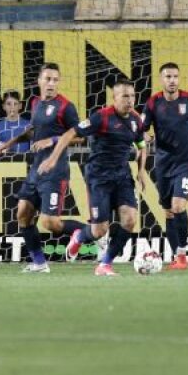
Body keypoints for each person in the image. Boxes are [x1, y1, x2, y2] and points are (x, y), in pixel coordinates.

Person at [43, 82, 148, 276]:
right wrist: (52, 158)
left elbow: (142, 146)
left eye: (132, 96)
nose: (130, 100)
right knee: (99, 230)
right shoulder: (101, 117)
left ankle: (105, 264)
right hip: (99, 178)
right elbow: (69, 134)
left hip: (123, 176)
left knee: (130, 220)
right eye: (125, 96)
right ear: (114, 99)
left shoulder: (136, 120)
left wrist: (141, 170)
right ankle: (79, 236)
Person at [0, 64, 86, 273]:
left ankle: (89, 231)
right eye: (48, 79)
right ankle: (39, 263)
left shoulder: (65, 107)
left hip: (55, 170)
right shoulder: (35, 103)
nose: (51, 83)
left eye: (55, 80)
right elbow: (32, 130)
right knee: (23, 214)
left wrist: (51, 140)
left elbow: (79, 136)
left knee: (50, 223)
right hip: (36, 169)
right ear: (39, 81)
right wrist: (7, 145)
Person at [141, 63, 188, 270]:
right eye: (167, 76)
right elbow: (143, 130)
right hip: (163, 165)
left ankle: (182, 257)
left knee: (178, 206)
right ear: (161, 79)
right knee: (168, 212)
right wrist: (144, 136)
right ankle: (177, 256)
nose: (172, 80)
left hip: (186, 163)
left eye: (175, 76)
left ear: (179, 78)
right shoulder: (153, 103)